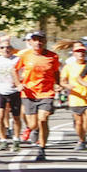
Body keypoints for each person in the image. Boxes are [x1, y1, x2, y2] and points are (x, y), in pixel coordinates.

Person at [16, 30, 62, 161]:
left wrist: (57, 83)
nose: (38, 42)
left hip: (46, 92)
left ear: (45, 41)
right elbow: (14, 70)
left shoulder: (53, 57)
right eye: (35, 40)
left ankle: (41, 148)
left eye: (40, 40)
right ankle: (34, 130)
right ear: (30, 42)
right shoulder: (25, 55)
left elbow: (56, 71)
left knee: (43, 119)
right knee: (32, 124)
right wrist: (18, 83)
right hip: (29, 93)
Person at [0, 37, 22, 147]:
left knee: (16, 117)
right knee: (0, 115)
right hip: (0, 90)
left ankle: (16, 138)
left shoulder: (17, 59)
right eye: (2, 47)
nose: (5, 49)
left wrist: (20, 82)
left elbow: (24, 72)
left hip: (14, 91)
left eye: (8, 47)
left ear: (12, 49)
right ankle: (3, 139)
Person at [59, 43, 87, 150]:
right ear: (74, 54)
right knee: (79, 122)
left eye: (83, 52)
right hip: (76, 98)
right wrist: (67, 86)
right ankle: (81, 140)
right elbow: (63, 81)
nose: (81, 54)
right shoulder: (69, 67)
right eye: (78, 52)